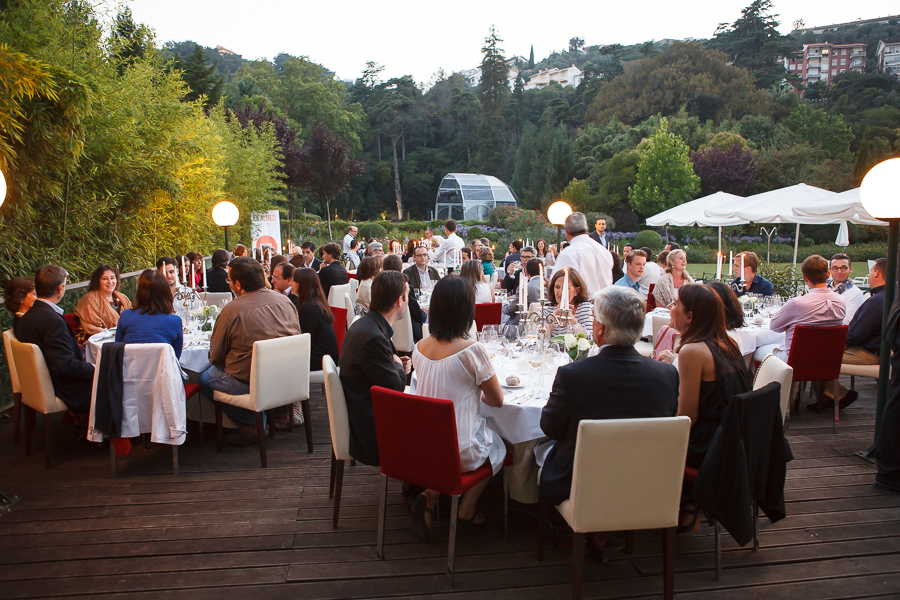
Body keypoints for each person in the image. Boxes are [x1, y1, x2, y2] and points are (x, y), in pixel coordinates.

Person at [540, 286, 678, 506]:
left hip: (580, 484)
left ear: (601, 329)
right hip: (646, 482)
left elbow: (550, 428)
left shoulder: (573, 375)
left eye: (594, 319)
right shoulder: (667, 374)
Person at [409, 276, 506, 539]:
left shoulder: (419, 348)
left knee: (459, 442)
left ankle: (430, 496)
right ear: (467, 310)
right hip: (459, 450)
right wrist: (476, 394)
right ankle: (466, 509)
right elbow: (497, 401)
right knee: (500, 446)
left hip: (425, 447)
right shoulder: (472, 350)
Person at [658, 285, 750, 530]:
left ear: (690, 316)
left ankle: (668, 505)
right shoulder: (728, 342)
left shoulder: (692, 351)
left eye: (675, 304)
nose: (670, 309)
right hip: (732, 439)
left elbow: (687, 418)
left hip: (709, 448)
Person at [199, 258, 301, 446]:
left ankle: (251, 423)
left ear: (238, 284)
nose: (229, 284)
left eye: (229, 280)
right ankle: (278, 413)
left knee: (205, 378)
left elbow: (215, 356)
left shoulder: (232, 310)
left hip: (251, 383)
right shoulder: (285, 301)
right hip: (288, 377)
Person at [340, 271, 412, 466]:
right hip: (372, 431)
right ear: (399, 301)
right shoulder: (373, 337)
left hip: (362, 413)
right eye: (407, 296)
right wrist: (397, 365)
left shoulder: (365, 324)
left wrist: (394, 363)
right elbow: (395, 388)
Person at [14, 265, 94, 414]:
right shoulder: (52, 321)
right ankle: (102, 427)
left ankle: (80, 421)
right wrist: (94, 368)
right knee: (113, 377)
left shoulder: (25, 317)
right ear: (60, 288)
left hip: (43, 383)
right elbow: (65, 366)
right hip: (64, 388)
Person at [813, 258, 888, 409]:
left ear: (877, 273)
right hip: (877, 348)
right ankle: (829, 397)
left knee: (814, 357)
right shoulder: (889, 295)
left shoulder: (877, 301)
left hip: (869, 352)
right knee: (815, 351)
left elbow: (856, 334)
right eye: (835, 268)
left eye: (871, 271)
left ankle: (840, 395)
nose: (869, 275)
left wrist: (833, 342)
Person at [755, 255, 846, 365]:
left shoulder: (797, 304)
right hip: (827, 358)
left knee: (755, 351)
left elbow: (774, 326)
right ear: (828, 274)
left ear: (805, 278)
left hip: (796, 359)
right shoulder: (841, 301)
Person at [290, 269, 339, 429]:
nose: (291, 283)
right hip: (328, 356)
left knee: (281, 363)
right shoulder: (316, 302)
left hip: (319, 359)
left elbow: (303, 342)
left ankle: (293, 407)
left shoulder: (308, 308)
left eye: (294, 280)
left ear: (301, 283)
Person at [115, 270, 183, 358]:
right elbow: (175, 357)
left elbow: (118, 349)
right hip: (162, 367)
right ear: (166, 292)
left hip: (130, 366)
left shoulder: (126, 316)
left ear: (139, 291)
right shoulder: (175, 321)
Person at [552, 212, 613, 296]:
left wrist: (548, 285)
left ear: (566, 232)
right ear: (586, 228)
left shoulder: (568, 254)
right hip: (604, 301)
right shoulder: (604, 251)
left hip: (580, 303)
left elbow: (557, 283)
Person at [74, 264, 132, 344]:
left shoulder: (123, 298)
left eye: (112, 278)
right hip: (92, 342)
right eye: (105, 279)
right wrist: (111, 334)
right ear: (97, 281)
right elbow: (89, 328)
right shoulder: (88, 300)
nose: (110, 282)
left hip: (118, 339)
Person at [383, 254, 426, 342]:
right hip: (410, 335)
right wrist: (425, 314)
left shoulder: (379, 287)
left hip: (385, 332)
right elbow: (417, 314)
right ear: (400, 270)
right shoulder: (405, 288)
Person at [543, 268, 593, 337]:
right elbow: (538, 339)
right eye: (557, 287)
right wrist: (551, 319)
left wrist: (573, 320)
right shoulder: (546, 309)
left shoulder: (586, 308)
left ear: (576, 291)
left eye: (566, 288)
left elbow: (590, 338)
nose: (560, 292)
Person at [502, 258, 544, 328]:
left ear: (526, 272)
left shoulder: (525, 287)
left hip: (523, 325)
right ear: (542, 271)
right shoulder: (550, 286)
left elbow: (510, 309)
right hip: (544, 322)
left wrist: (504, 305)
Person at [827, 253, 864, 325]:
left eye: (843, 268)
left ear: (850, 269)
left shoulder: (855, 293)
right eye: (835, 268)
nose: (839, 271)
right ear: (830, 270)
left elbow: (848, 321)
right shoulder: (824, 289)